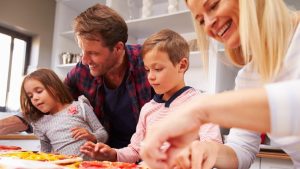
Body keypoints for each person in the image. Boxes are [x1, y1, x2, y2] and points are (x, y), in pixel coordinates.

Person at [140, 0, 300, 169]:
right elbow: (242, 149)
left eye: (214, 5)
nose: (209, 24)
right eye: (201, 20)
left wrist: (201, 110)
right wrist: (207, 150)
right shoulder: (247, 78)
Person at [0, 3, 154, 149]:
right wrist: (6, 124)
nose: (85, 60)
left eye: (93, 53)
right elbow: (52, 99)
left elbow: (175, 111)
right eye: (82, 51)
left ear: (118, 48)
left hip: (149, 152)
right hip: (104, 155)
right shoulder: (82, 71)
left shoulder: (149, 62)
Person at [79, 29, 222, 163]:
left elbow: (212, 146)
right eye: (147, 70)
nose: (151, 77)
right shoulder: (148, 109)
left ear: (182, 65)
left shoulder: (201, 103)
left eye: (158, 69)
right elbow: (136, 150)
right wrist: (113, 154)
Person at [20, 68, 108, 159]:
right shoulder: (40, 123)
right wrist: (50, 156)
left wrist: (92, 137)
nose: (34, 98)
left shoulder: (80, 107)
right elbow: (45, 152)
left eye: (39, 91)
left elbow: (102, 133)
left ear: (55, 88)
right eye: (30, 96)